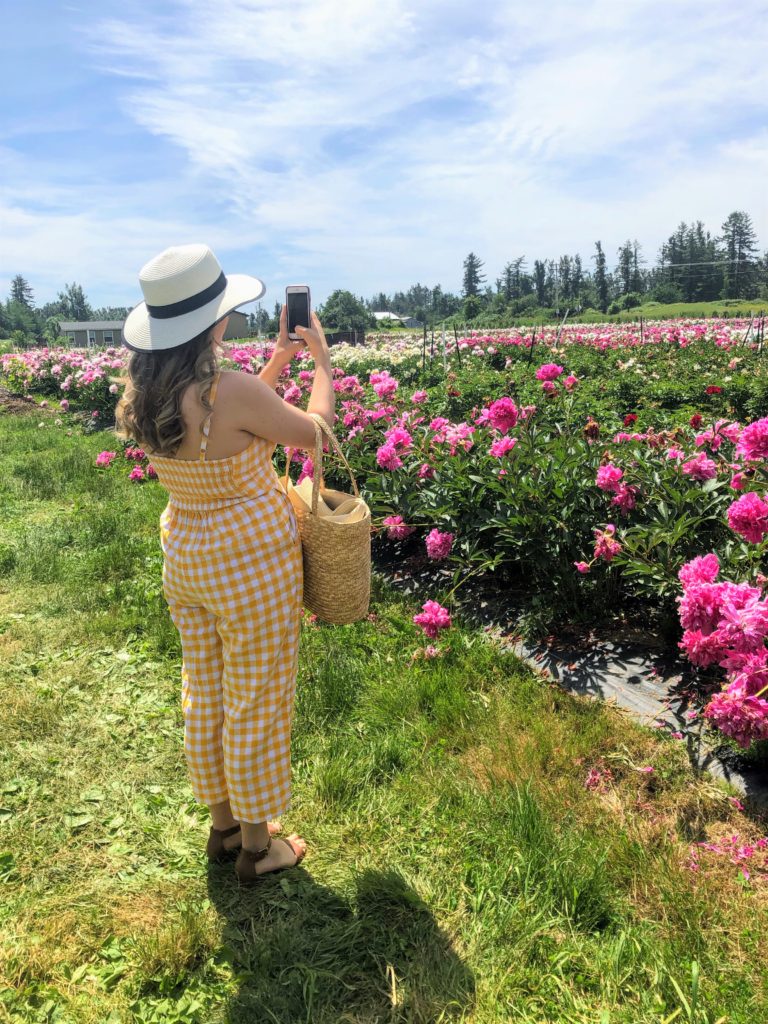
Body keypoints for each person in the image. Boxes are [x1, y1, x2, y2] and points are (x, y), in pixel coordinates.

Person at [114, 243, 335, 883]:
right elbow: (313, 431)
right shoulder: (226, 391)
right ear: (212, 322)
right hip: (250, 563)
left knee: (204, 689)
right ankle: (261, 847)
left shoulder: (147, 392)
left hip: (187, 556)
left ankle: (224, 826)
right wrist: (320, 363)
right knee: (256, 696)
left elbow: (227, 425)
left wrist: (278, 362)